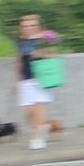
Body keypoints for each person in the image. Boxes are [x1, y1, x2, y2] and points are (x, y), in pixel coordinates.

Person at [16, 13, 63, 149]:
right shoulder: (20, 41)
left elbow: (55, 54)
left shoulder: (45, 38)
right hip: (25, 79)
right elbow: (19, 59)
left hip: (41, 78)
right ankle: (49, 126)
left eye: (32, 25)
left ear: (38, 26)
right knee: (29, 112)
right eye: (25, 26)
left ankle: (37, 138)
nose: (29, 28)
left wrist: (42, 54)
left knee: (37, 110)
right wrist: (16, 79)